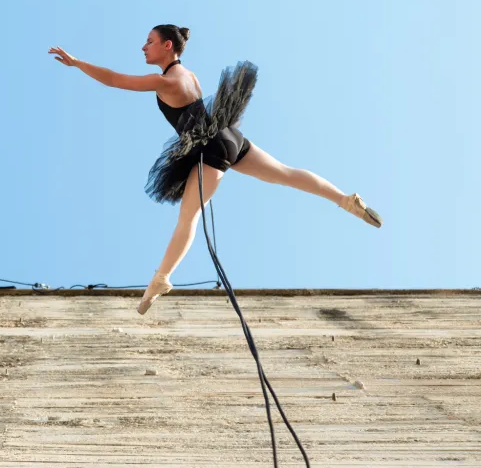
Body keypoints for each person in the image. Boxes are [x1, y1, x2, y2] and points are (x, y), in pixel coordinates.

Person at [48, 24, 381, 314]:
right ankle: (345, 199)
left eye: (149, 41)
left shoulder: (164, 81)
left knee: (189, 217)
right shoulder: (188, 74)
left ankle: (162, 278)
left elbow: (114, 79)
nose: (143, 46)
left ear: (167, 46)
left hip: (210, 147)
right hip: (230, 135)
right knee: (285, 172)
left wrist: (77, 63)